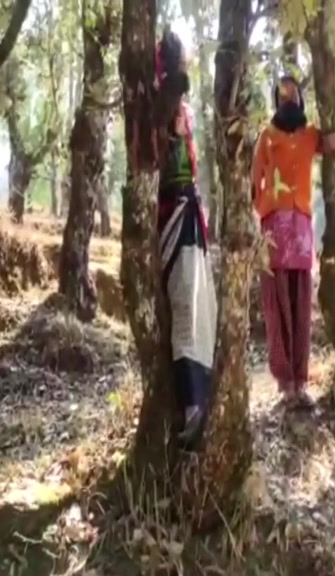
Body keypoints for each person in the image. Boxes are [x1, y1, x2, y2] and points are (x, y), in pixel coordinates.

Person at [252, 75, 335, 410]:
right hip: (274, 229)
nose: (289, 100)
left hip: (302, 227)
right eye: (283, 95)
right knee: (277, 304)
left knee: (301, 301)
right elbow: (254, 182)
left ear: (301, 100)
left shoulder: (311, 135)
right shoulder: (266, 135)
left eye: (294, 95)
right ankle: (284, 381)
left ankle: (300, 380)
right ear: (277, 101)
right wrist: (264, 214)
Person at [156, 32, 217, 446]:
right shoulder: (156, 105)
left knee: (201, 304)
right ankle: (191, 404)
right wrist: (172, 132)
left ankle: (204, 397)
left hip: (190, 210)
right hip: (172, 212)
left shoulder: (183, 109)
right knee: (183, 303)